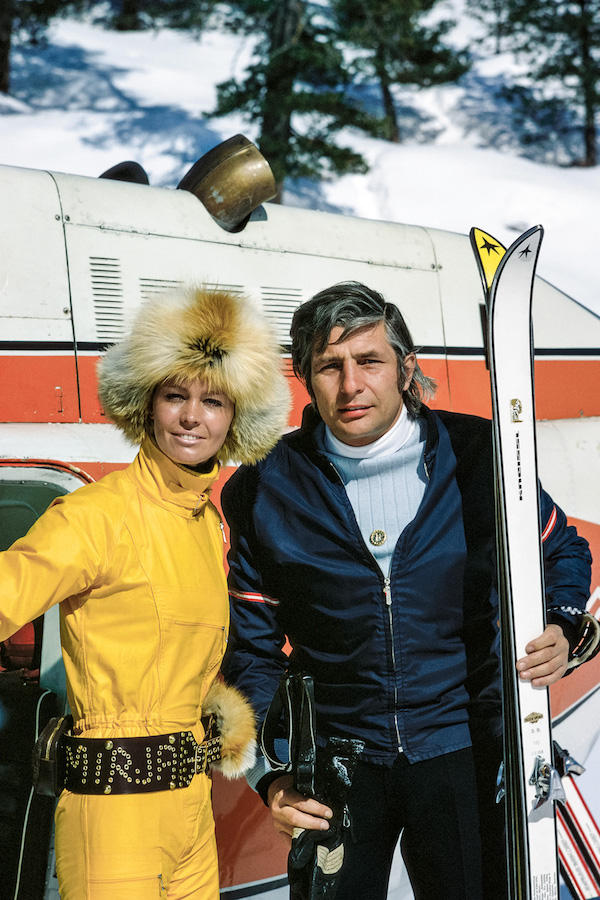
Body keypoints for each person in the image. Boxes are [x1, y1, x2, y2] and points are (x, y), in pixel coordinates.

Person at [221, 281, 599, 900]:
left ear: (404, 367)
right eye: (328, 366)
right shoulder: (265, 488)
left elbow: (560, 548)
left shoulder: (481, 455)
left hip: (462, 745)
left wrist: (563, 626)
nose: (350, 386)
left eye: (369, 361)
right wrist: (275, 775)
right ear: (304, 378)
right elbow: (252, 652)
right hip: (337, 761)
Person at [0, 285, 289, 899]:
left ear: (236, 416)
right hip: (114, 813)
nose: (192, 418)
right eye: (175, 396)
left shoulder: (207, 524)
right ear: (146, 403)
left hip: (191, 809)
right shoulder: (96, 516)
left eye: (213, 401)